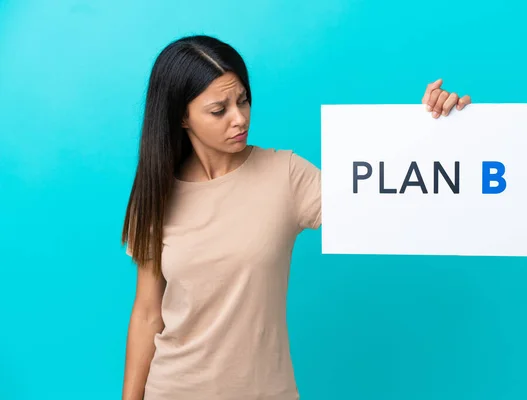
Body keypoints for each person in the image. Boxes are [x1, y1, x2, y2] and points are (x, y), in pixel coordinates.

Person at [120, 34, 472, 400]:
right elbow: (147, 315)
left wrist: (439, 132)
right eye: (218, 110)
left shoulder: (286, 175)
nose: (239, 118)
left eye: (243, 100)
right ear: (182, 116)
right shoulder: (157, 195)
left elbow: (388, 207)